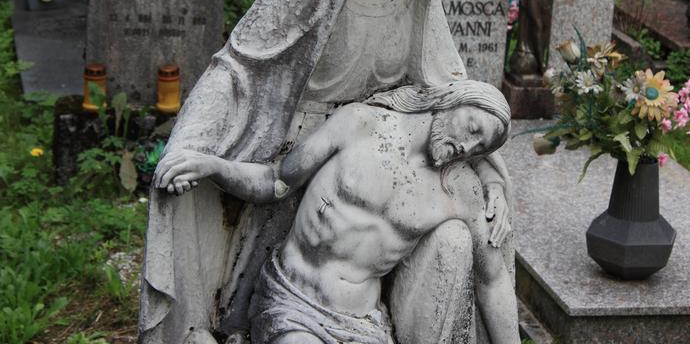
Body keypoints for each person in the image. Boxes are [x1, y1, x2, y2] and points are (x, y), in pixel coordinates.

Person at [140, 0, 514, 344]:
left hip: (386, 159)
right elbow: (236, 70)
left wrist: (490, 180)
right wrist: (191, 142)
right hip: (300, 151)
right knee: (244, 306)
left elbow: (454, 94)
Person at [157, 81, 519, 344]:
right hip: (294, 304)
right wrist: (213, 167)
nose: (468, 146)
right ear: (449, 101)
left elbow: (493, 280)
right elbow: (276, 181)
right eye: (473, 128)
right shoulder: (360, 124)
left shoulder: (461, 190)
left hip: (364, 324)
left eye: (480, 147)